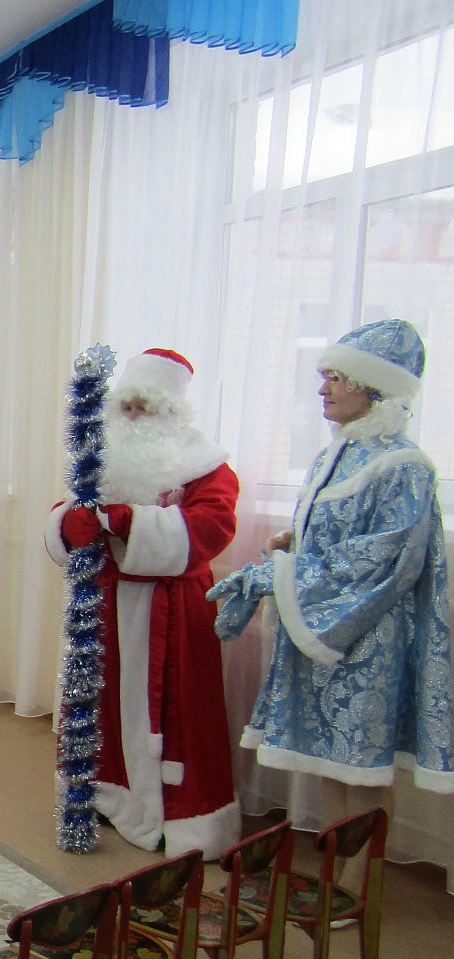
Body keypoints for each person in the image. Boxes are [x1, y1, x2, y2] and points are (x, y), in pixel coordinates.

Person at [211, 319, 454, 884]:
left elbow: (386, 557)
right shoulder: (336, 455)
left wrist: (284, 573)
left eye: (337, 378)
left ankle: (357, 888)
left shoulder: (405, 465)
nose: (323, 389)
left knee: (361, 768)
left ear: (374, 386)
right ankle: (336, 879)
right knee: (326, 758)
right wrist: (290, 545)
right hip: (318, 628)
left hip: (365, 637)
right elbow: (335, 537)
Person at [45, 348, 240, 857]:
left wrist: (132, 522)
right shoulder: (102, 458)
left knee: (175, 714)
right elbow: (70, 512)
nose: (130, 418)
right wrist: (68, 524)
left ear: (170, 412)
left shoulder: (206, 465)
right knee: (102, 708)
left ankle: (184, 820)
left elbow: (212, 528)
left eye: (143, 408)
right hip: (106, 606)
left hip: (171, 610)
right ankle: (106, 796)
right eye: (125, 407)